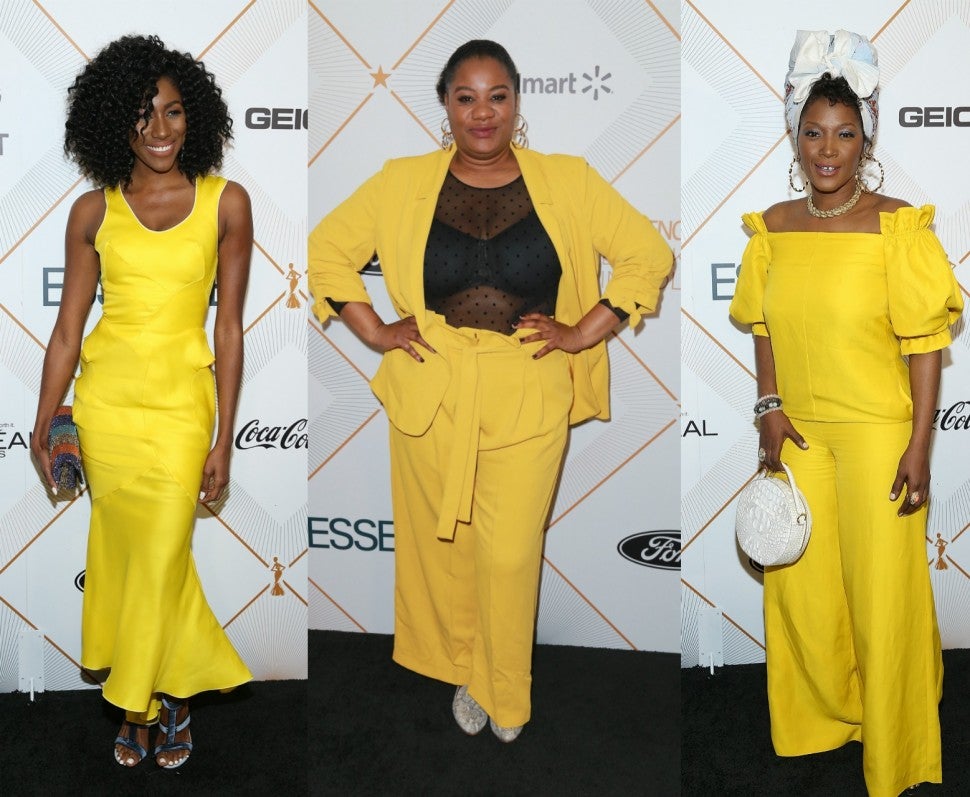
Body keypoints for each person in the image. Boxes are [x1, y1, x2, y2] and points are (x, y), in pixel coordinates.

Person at [308, 39, 672, 742]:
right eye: (467, 97)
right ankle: (469, 670)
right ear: (445, 105)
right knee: (449, 548)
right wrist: (375, 329)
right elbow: (326, 251)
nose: (483, 113)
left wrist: (583, 331)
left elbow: (647, 256)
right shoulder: (400, 181)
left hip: (528, 384)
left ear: (516, 102)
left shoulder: (568, 180)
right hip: (432, 388)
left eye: (497, 96)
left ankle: (504, 687)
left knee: (507, 552)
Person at [729, 30, 962, 796]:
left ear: (867, 140)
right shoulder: (772, 227)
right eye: (813, 133)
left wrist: (920, 445)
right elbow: (763, 326)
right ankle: (821, 722)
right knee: (801, 588)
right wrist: (767, 407)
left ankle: (897, 750)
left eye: (844, 134)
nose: (827, 150)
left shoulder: (897, 226)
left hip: (876, 435)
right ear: (794, 137)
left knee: (884, 596)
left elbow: (924, 344)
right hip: (797, 431)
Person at [30, 35, 253, 769]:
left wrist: (224, 439)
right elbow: (69, 329)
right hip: (108, 409)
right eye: (141, 113)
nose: (160, 129)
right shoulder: (92, 212)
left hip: (182, 410)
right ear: (112, 123)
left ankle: (139, 703)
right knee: (135, 561)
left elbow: (228, 327)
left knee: (161, 555)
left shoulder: (226, 203)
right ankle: (163, 700)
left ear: (196, 116)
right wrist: (44, 419)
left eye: (174, 111)